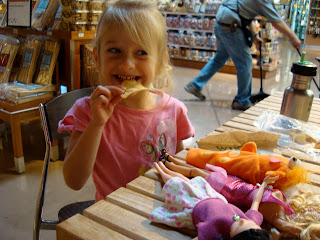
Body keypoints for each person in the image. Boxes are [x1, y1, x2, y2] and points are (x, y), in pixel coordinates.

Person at [58, 0, 195, 202]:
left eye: (141, 53)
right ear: (96, 58)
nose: (127, 64)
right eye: (115, 51)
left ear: (159, 63)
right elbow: (73, 181)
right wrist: (96, 124)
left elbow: (180, 167)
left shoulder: (174, 111)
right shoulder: (87, 111)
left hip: (163, 210)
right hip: (113, 215)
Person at [184, 0, 302, 110]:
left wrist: (255, 36)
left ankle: (195, 84)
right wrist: (294, 38)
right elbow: (277, 21)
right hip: (232, 27)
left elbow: (245, 15)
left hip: (221, 23)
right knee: (245, 63)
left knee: (219, 58)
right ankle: (242, 100)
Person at [150, 161, 276, 240]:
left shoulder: (214, 231)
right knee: (188, 180)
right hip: (211, 196)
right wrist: (264, 184)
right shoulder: (251, 220)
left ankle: (160, 170)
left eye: (239, 225)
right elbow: (255, 202)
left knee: (176, 183)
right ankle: (164, 166)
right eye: (249, 223)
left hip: (194, 205)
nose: (243, 220)